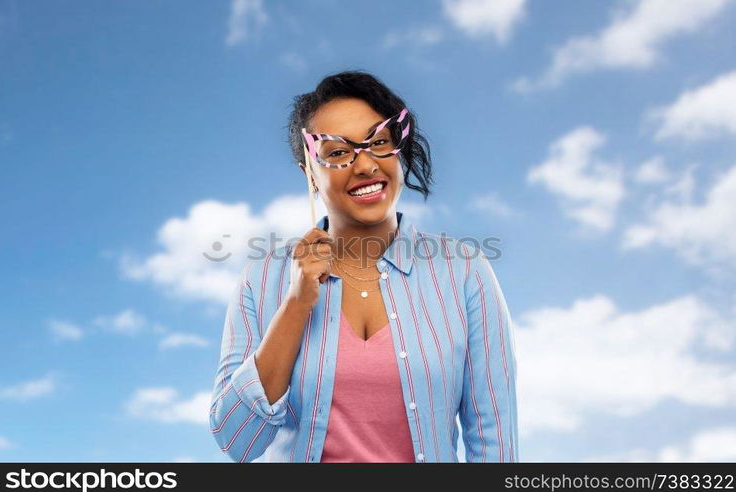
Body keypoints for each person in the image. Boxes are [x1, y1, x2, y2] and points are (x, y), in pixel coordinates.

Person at [209, 70, 519, 463]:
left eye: (379, 142)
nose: (366, 164)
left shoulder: (464, 272)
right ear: (310, 172)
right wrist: (296, 305)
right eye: (337, 152)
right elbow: (235, 439)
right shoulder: (263, 276)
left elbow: (494, 440)